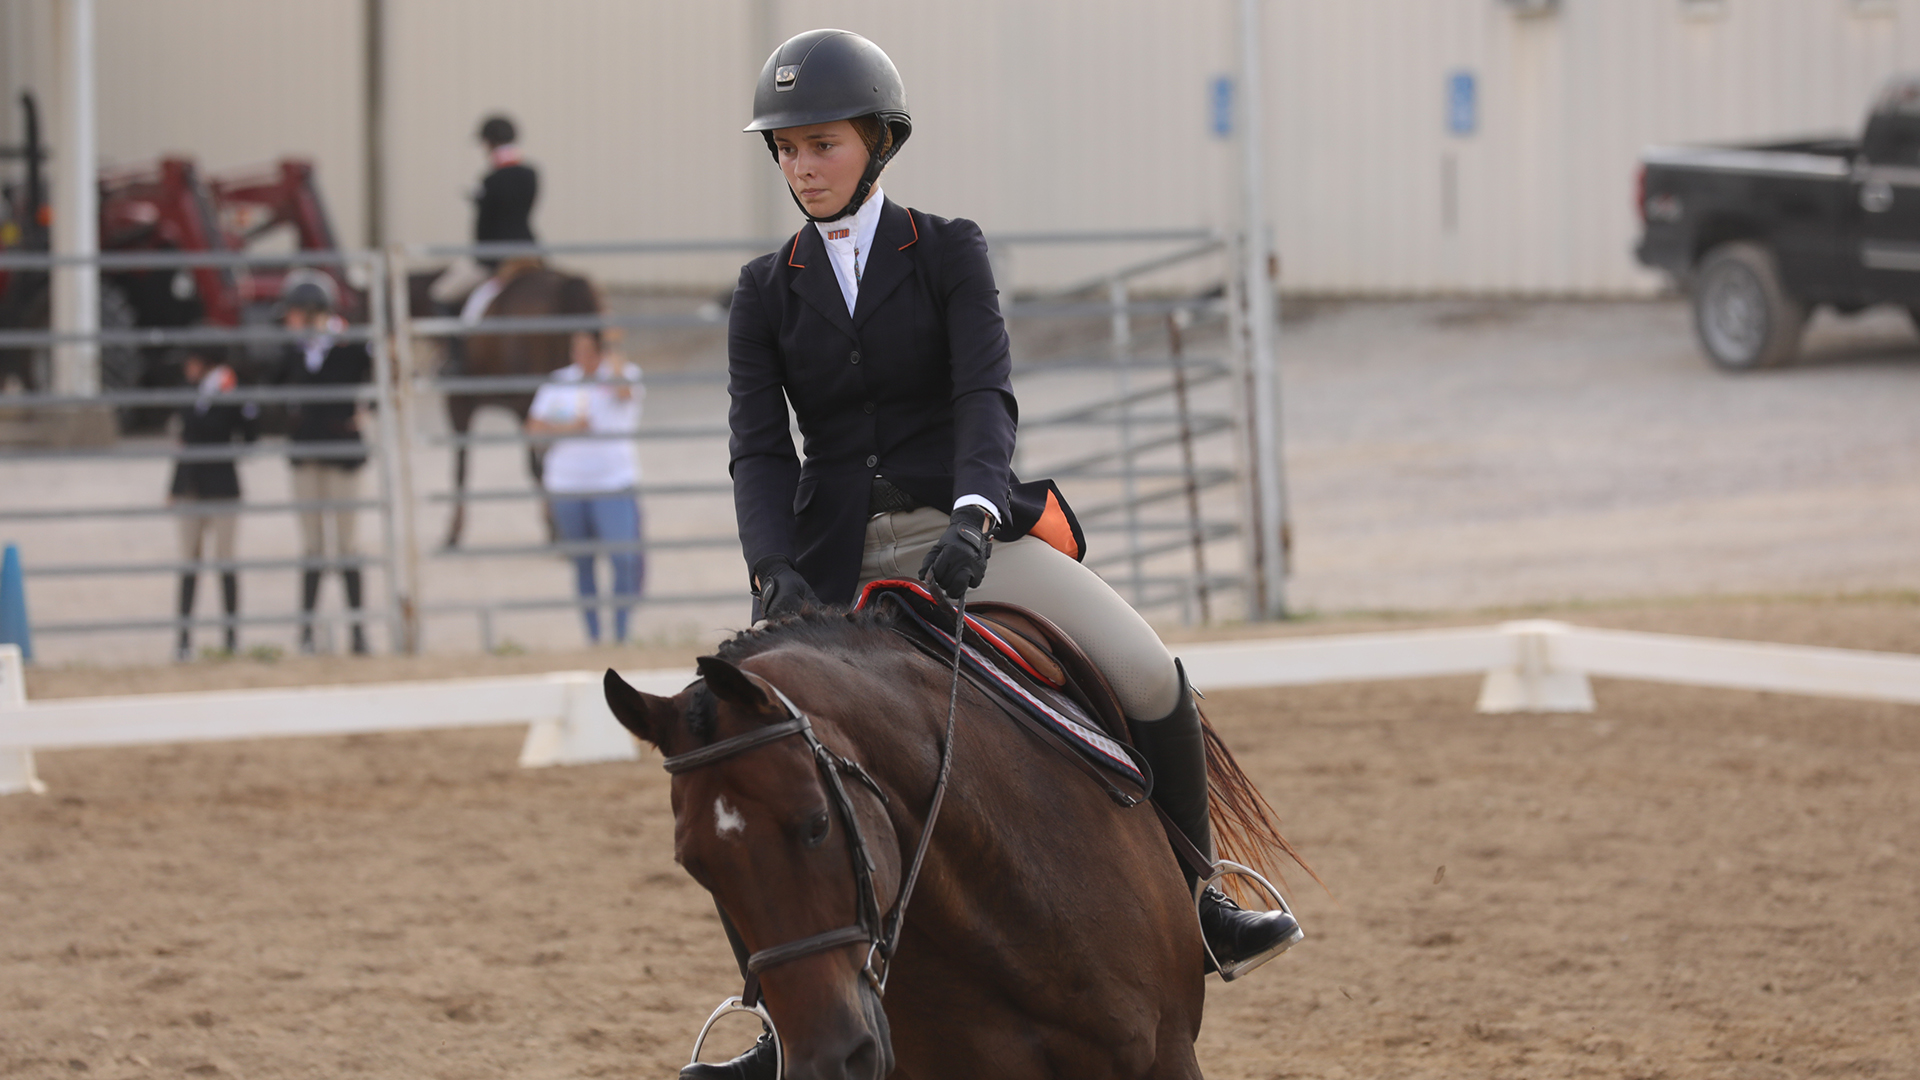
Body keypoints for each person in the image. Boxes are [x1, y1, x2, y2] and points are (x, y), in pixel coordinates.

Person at [702, 29, 1303, 1080]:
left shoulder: (946, 250)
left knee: (1149, 672)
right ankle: (778, 1019)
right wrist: (775, 569)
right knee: (758, 769)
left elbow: (986, 393)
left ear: (879, 142)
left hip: (966, 532)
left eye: (822, 145)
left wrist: (978, 513)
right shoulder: (765, 289)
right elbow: (760, 443)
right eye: (787, 150)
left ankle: (1202, 898)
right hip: (833, 560)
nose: (802, 167)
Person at [526, 327, 646, 645]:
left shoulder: (622, 374)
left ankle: (621, 631)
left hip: (613, 483)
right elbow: (534, 427)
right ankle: (593, 635)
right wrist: (569, 427)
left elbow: (624, 393)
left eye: (588, 350)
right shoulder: (560, 381)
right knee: (582, 562)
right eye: (576, 350)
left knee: (623, 559)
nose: (581, 357)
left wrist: (614, 344)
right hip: (567, 485)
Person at [275, 271, 373, 656]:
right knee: (312, 544)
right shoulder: (294, 350)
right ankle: (306, 632)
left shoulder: (351, 344)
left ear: (314, 311)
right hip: (306, 454)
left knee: (347, 543)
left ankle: (357, 631)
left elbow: (383, 377)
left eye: (296, 312)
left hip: (343, 454)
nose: (289, 320)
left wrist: (367, 411)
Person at [167, 349, 258, 660]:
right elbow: (184, 440)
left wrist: (241, 402)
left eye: (191, 360)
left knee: (226, 561)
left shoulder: (229, 390)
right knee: (189, 562)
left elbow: (250, 436)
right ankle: (183, 641)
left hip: (222, 487)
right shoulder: (192, 393)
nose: (186, 366)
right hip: (192, 486)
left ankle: (231, 639)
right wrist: (174, 487)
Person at [429, 113, 540, 326]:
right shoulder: (531, 174)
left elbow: (485, 227)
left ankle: (455, 356)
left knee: (440, 295)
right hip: (530, 252)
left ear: (489, 142)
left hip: (495, 258)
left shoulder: (491, 180)